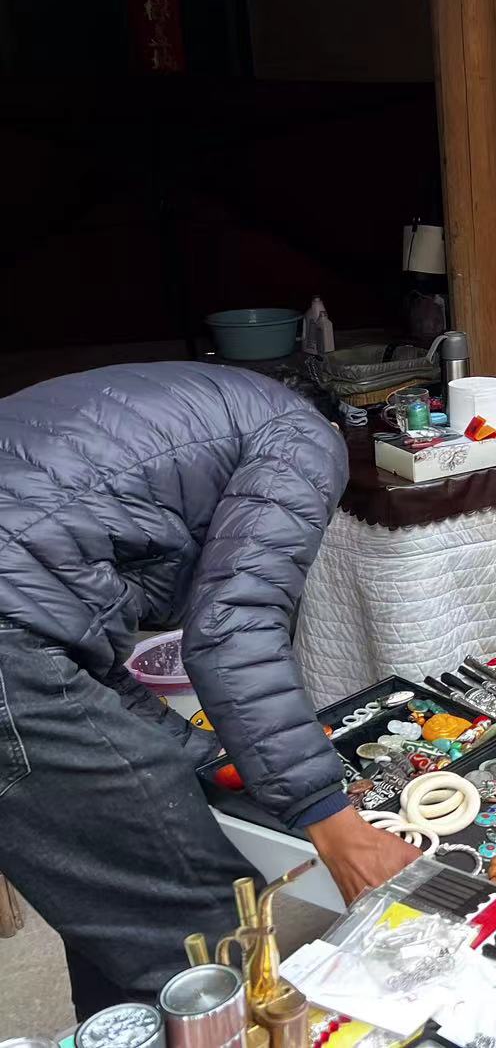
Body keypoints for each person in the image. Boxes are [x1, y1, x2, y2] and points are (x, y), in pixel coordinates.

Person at [0, 364, 418, 1016]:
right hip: (11, 647)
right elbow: (232, 630)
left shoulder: (197, 415)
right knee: (200, 928)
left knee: (120, 882)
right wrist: (335, 824)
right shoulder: (307, 441)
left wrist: (207, 757)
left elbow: (94, 670)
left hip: (22, 628)